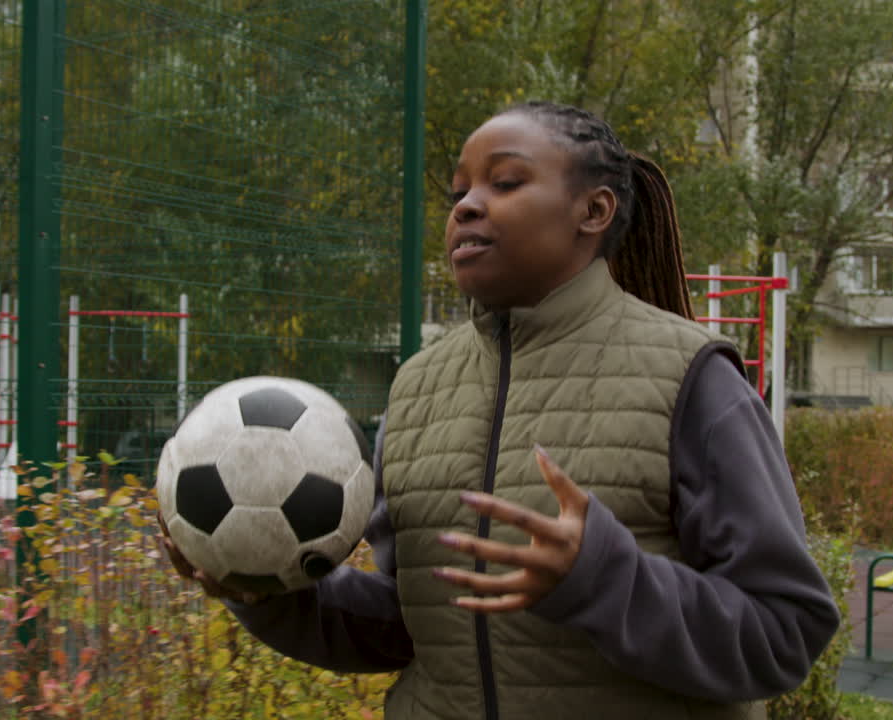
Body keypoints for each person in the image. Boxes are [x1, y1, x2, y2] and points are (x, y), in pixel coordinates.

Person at [159, 101, 840, 719]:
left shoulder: (692, 377)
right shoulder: (419, 388)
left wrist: (606, 579)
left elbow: (783, 634)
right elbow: (409, 624)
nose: (466, 207)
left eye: (504, 183)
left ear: (593, 212)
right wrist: (265, 589)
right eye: (459, 192)